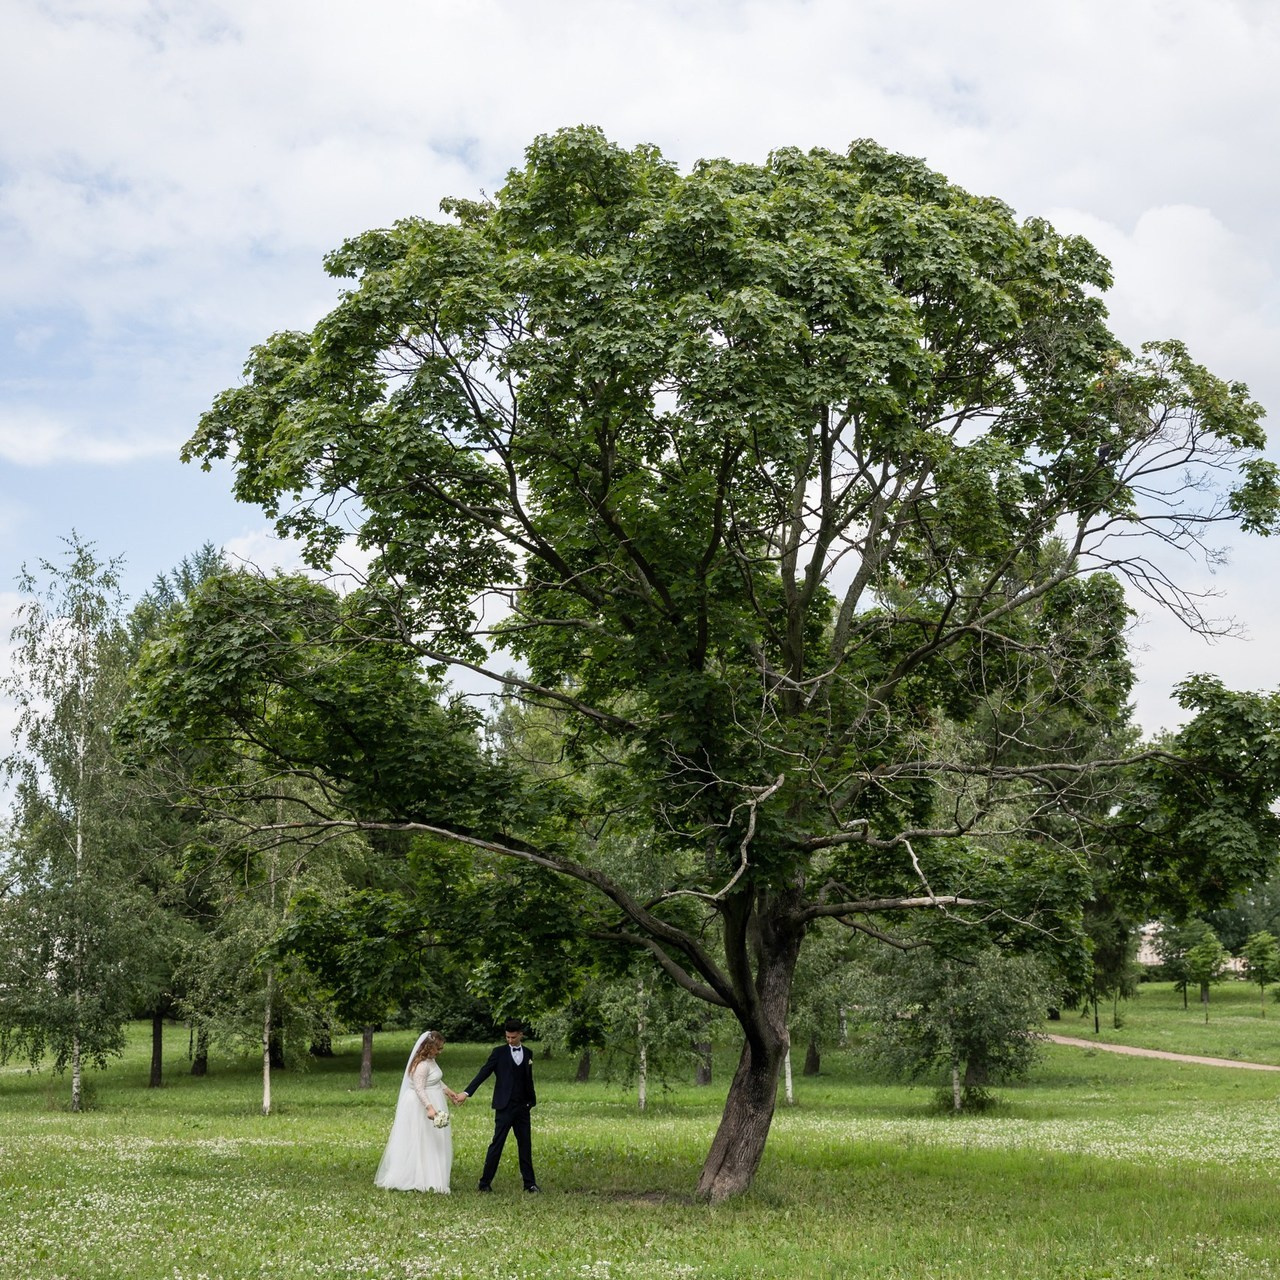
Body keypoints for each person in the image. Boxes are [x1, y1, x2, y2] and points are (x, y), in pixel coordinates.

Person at [374, 1030, 464, 1193]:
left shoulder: (431, 1061)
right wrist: (429, 1108)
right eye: (438, 1048)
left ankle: (435, 1177)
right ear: (429, 1048)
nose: (440, 1052)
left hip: (435, 1098)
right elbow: (419, 1088)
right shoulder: (421, 1065)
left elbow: (435, 1079)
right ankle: (421, 1178)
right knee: (423, 1140)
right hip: (422, 1104)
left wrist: (449, 1091)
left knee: (434, 1140)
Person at [458, 1018, 540, 1192]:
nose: (510, 1040)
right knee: (497, 1144)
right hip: (504, 1106)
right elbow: (484, 1073)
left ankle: (530, 1183)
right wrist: (467, 1093)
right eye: (507, 1037)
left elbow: (528, 1079)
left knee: (525, 1145)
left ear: (520, 1035)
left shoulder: (528, 1053)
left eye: (513, 1037)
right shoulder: (499, 1053)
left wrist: (531, 1101)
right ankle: (485, 1182)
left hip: (523, 1107)